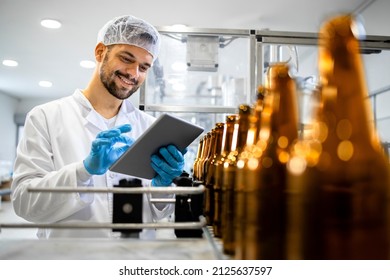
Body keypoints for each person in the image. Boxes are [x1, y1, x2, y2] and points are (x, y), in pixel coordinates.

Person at [11, 15, 186, 239]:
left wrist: (161, 187)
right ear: (100, 52)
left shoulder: (149, 127)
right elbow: (25, 203)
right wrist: (84, 171)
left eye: (144, 67)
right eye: (126, 58)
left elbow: (158, 214)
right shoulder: (45, 117)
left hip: (135, 263)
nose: (134, 74)